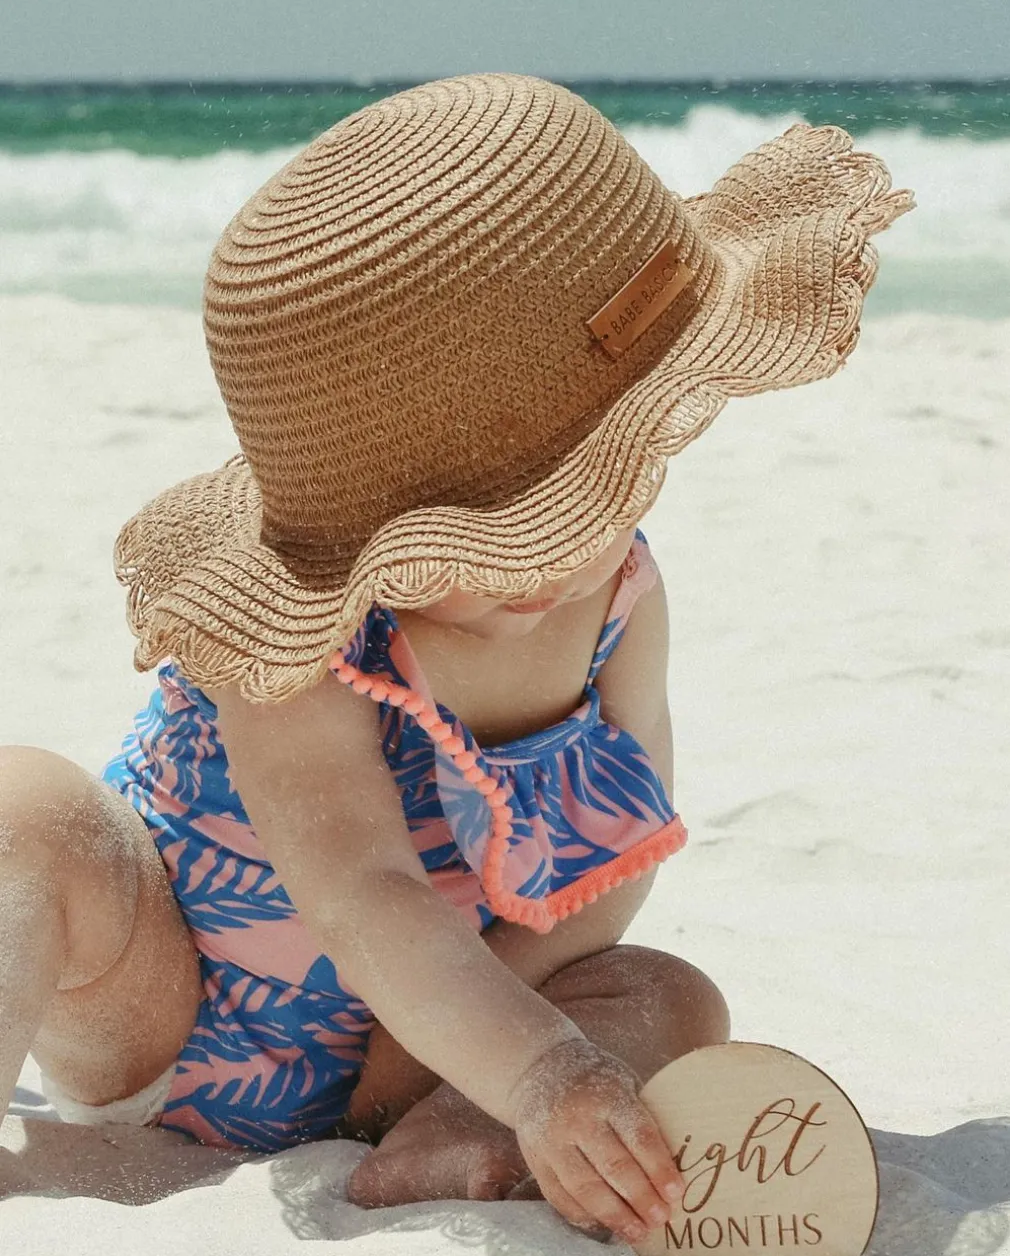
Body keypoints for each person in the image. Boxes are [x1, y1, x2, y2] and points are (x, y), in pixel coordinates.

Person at [0, 74, 914, 1245]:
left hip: (439, 1041)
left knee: (670, 995)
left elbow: (620, 850)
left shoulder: (627, 597)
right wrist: (534, 1068)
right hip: (171, 1006)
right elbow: (359, 891)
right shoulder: (290, 634)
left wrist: (507, 1054)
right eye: (462, 537)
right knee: (26, 808)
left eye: (574, 497)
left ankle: (448, 1136)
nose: (530, 566)